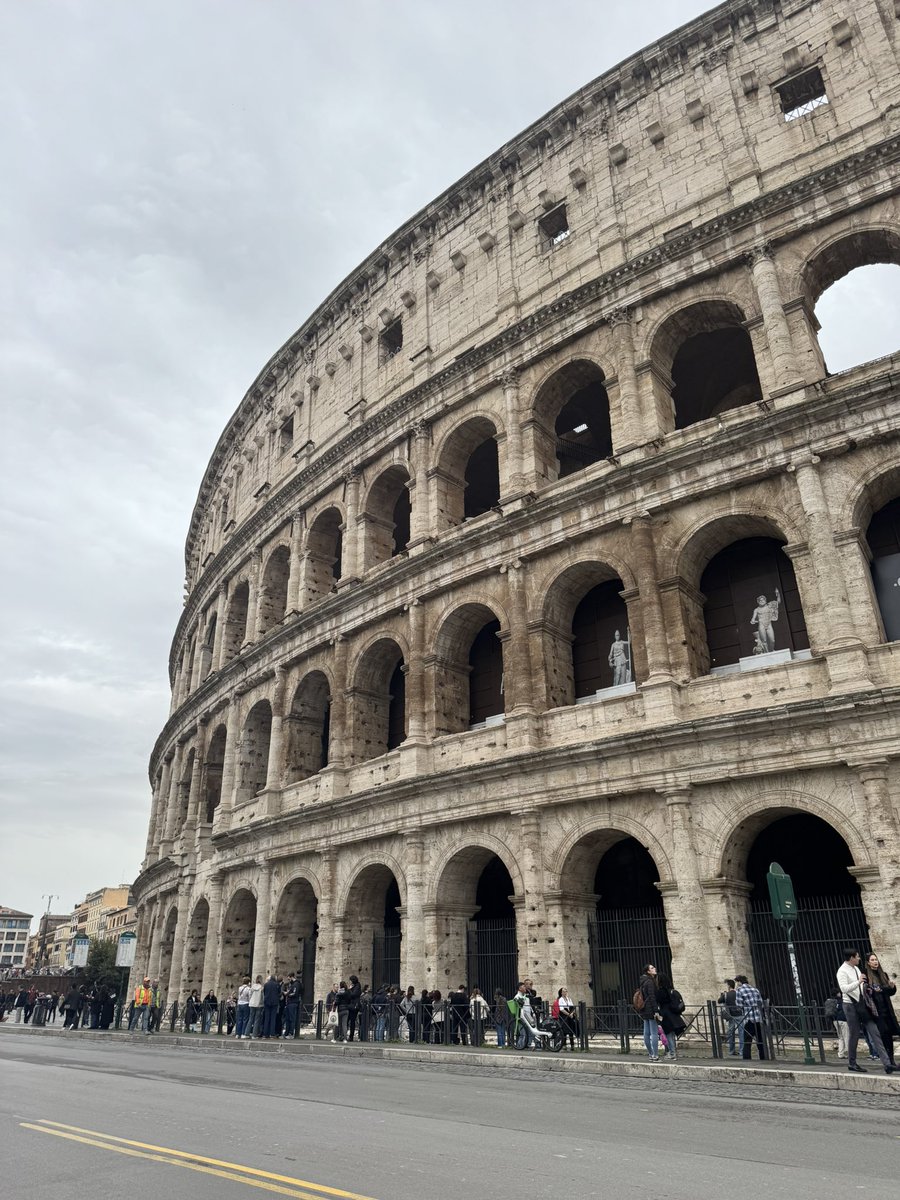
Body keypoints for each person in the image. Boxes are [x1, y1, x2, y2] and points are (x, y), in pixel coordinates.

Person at [838, 949, 893, 1073]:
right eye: (857, 957)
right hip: (850, 1005)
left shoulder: (856, 969)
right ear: (851, 958)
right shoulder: (842, 971)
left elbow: (862, 986)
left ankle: (887, 1064)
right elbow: (843, 989)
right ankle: (852, 1063)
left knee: (875, 1031)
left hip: (862, 1004)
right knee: (854, 1034)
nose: (859, 958)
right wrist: (858, 982)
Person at [864, 952, 899, 1067]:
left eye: (876, 959)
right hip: (877, 1011)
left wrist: (892, 987)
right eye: (872, 960)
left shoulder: (883, 974)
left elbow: (888, 992)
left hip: (887, 1010)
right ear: (868, 963)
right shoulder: (867, 976)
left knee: (892, 1034)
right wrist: (879, 989)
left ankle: (892, 1061)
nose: (875, 962)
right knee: (884, 1036)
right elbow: (869, 992)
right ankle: (888, 1062)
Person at [734, 974, 767, 1060]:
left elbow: (739, 1005)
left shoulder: (739, 990)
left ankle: (747, 1059)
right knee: (760, 1040)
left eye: (737, 982)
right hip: (758, 1018)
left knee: (747, 1041)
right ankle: (763, 1057)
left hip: (749, 1018)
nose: (736, 984)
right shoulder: (755, 989)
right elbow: (761, 1003)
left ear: (739, 982)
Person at [656, 975, 686, 1061]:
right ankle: (673, 1052)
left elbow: (658, 1002)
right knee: (671, 1035)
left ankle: (672, 1053)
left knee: (668, 1034)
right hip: (673, 1015)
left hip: (666, 1015)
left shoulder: (661, 992)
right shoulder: (671, 991)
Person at [637, 964, 661, 1061]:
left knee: (646, 1033)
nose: (654, 969)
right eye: (652, 968)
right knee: (654, 1033)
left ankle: (650, 1054)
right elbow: (652, 997)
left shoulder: (643, 982)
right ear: (648, 971)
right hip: (650, 1009)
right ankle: (655, 1054)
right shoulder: (650, 982)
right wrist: (656, 1010)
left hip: (644, 1009)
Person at [718, 979, 744, 1057]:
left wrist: (723, 995)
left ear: (729, 986)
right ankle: (742, 1051)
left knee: (731, 1033)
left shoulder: (726, 994)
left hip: (730, 1015)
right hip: (739, 1014)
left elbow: (719, 1001)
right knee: (741, 1033)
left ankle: (731, 1050)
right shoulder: (738, 993)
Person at [553, 987, 578, 1051]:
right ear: (561, 993)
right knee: (564, 1030)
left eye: (566, 991)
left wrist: (572, 1013)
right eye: (563, 991)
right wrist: (568, 1014)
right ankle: (564, 1045)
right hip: (564, 1016)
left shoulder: (569, 999)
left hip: (570, 1014)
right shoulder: (560, 999)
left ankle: (572, 1045)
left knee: (571, 1030)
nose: (565, 992)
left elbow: (572, 1007)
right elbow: (561, 1009)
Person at [283, 973, 301, 1039]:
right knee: (288, 1019)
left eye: (289, 978)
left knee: (292, 1018)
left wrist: (287, 994)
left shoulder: (296, 984)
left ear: (292, 977)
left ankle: (291, 1033)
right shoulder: (292, 984)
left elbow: (294, 993)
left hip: (293, 1003)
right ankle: (286, 1032)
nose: (288, 980)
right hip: (289, 1003)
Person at [346, 975, 362, 1042]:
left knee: (352, 1021)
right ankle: (344, 1035)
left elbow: (353, 995)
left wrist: (349, 989)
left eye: (350, 980)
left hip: (354, 1006)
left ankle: (351, 1036)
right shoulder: (355, 986)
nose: (350, 982)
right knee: (347, 1021)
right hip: (351, 1005)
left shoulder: (357, 986)